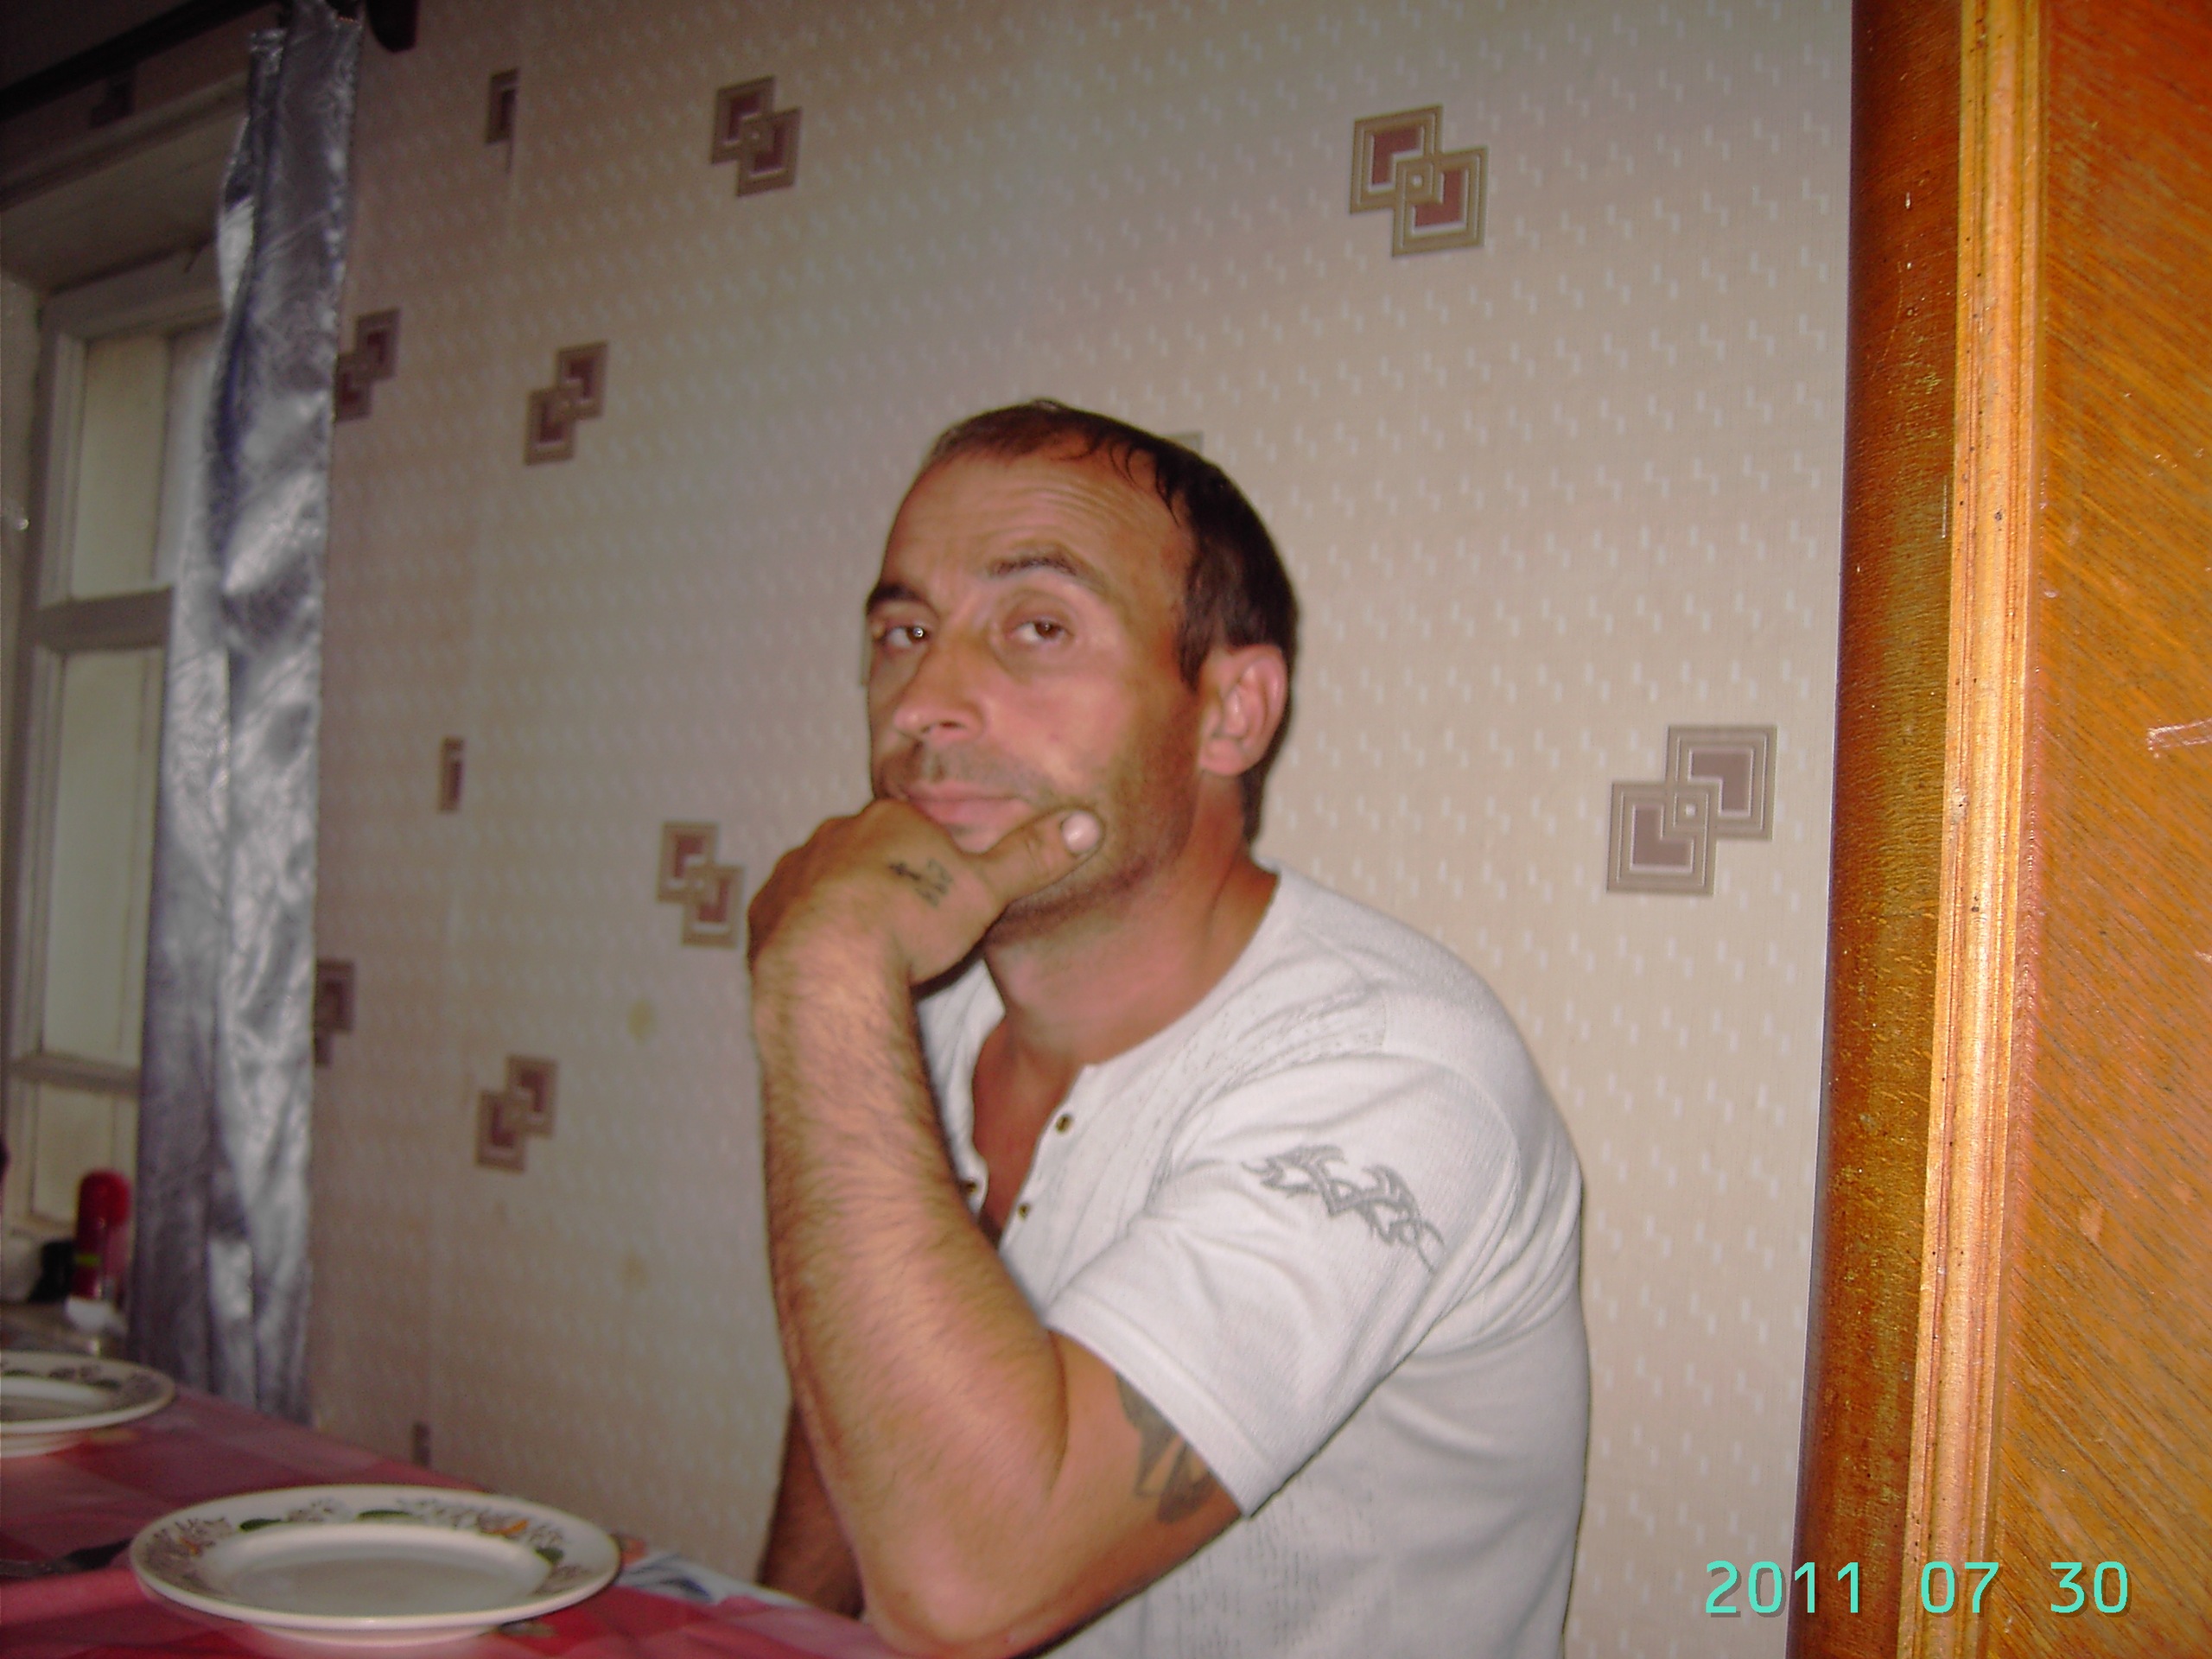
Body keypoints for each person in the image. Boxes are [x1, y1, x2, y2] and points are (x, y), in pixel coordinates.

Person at [747, 401, 1587, 1658]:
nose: (923, 701)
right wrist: (765, 1635)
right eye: (904, 632)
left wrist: (820, 977)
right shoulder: (920, 1006)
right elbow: (869, 1384)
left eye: (1038, 626)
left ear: (1230, 713)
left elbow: (975, 1582)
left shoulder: (1394, 1073)